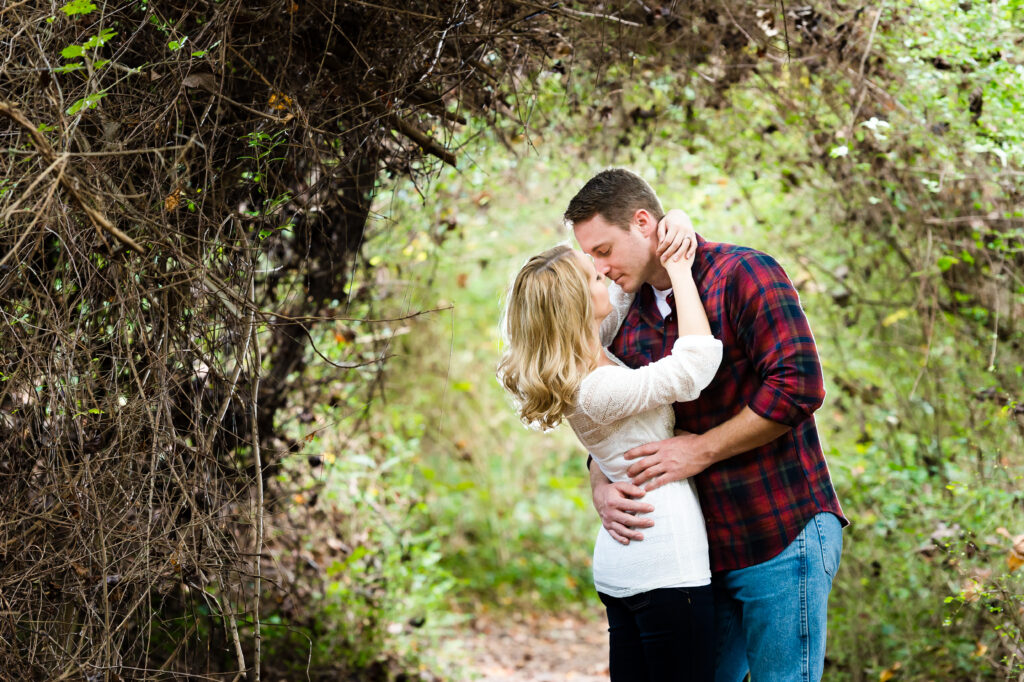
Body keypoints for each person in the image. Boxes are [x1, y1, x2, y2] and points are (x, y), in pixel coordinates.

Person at [565, 168, 847, 682]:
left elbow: (799, 386)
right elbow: (615, 413)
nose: (600, 268)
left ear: (643, 223)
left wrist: (702, 450)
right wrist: (600, 482)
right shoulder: (624, 313)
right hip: (697, 554)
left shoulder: (743, 273)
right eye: (591, 258)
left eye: (604, 250)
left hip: (779, 531)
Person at [498, 225, 723, 681]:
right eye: (595, 277)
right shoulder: (597, 388)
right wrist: (680, 267)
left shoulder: (584, 357)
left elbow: (621, 295)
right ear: (580, 305)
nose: (605, 274)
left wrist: (674, 221)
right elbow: (695, 366)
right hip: (665, 563)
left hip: (630, 564)